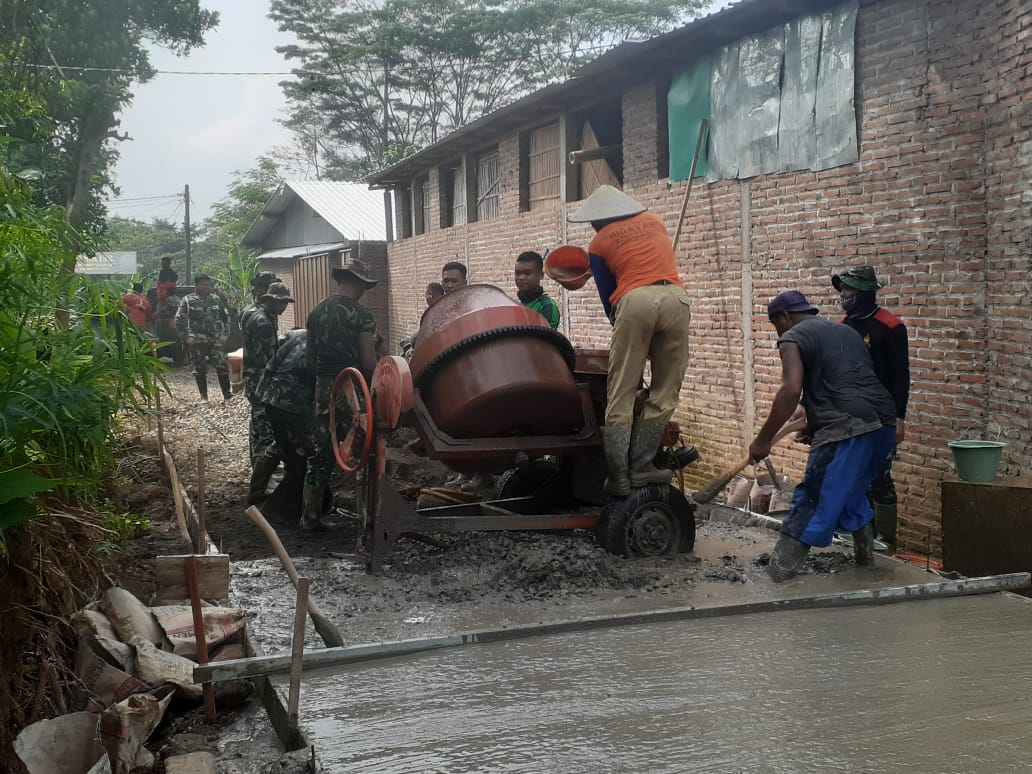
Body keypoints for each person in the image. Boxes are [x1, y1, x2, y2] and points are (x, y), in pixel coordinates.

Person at [748, 290, 898, 582]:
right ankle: (866, 567)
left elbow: (791, 390)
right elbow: (846, 383)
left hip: (847, 427)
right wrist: (815, 422)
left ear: (784, 316)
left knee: (813, 497)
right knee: (852, 493)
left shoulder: (793, 336)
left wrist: (763, 440)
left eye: (774, 323)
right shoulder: (847, 332)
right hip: (882, 423)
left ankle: (777, 578)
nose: (776, 330)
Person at [567, 185, 692, 496]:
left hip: (634, 301)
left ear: (599, 218)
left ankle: (620, 477)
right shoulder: (656, 220)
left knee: (621, 390)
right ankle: (642, 465)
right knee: (665, 390)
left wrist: (624, 331)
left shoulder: (598, 242)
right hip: (677, 299)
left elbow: (608, 296)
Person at [832, 265, 910, 547]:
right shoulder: (842, 327)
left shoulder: (890, 327)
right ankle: (861, 536)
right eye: (843, 290)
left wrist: (899, 417)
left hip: (882, 416)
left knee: (880, 477)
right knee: (853, 474)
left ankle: (886, 541)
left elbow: (901, 375)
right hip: (849, 415)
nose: (844, 295)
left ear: (866, 292)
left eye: (849, 290)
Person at [303, 261, 379, 530]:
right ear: (357, 283)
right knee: (361, 451)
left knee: (322, 451)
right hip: (352, 391)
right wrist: (373, 391)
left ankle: (310, 516)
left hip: (324, 389)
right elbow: (369, 362)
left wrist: (324, 383)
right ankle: (366, 516)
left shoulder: (316, 312)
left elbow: (310, 360)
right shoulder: (361, 315)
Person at [249, 329, 313, 515]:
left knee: (281, 446)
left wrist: (261, 394)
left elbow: (272, 364)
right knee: (298, 450)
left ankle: (256, 492)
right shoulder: (327, 346)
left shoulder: (297, 335)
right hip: (293, 405)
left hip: (273, 399)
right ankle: (289, 504)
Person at [244, 283, 294, 500]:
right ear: (271, 300)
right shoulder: (263, 322)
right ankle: (263, 487)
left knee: (257, 428)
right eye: (282, 302)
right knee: (265, 434)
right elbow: (266, 361)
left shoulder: (263, 316)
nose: (284, 307)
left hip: (256, 382)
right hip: (261, 384)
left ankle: (260, 477)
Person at [174, 274, 233, 402]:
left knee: (222, 365)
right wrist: (186, 337)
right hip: (197, 340)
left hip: (215, 339)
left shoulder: (216, 299)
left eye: (207, 284)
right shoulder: (188, 300)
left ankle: (227, 394)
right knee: (200, 368)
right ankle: (204, 397)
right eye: (202, 284)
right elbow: (179, 319)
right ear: (197, 285)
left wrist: (225, 334)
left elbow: (226, 317)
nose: (205, 287)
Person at [514, 251, 560, 329]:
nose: (521, 277)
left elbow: (546, 339)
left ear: (541, 275)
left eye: (527, 273)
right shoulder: (515, 304)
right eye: (518, 273)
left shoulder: (547, 307)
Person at [401, 282, 445, 360]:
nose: (425, 297)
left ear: (430, 295)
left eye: (426, 294)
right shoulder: (440, 306)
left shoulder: (436, 310)